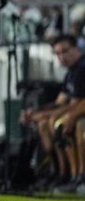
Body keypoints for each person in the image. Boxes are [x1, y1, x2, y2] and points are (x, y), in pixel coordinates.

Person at [23, 34, 85, 192]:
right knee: (45, 124)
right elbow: (59, 102)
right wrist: (36, 113)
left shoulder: (82, 69)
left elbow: (76, 104)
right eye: (58, 53)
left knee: (63, 124)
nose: (62, 57)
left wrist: (52, 116)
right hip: (74, 111)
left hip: (80, 116)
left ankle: (78, 175)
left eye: (65, 51)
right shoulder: (70, 73)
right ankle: (60, 172)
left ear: (77, 49)